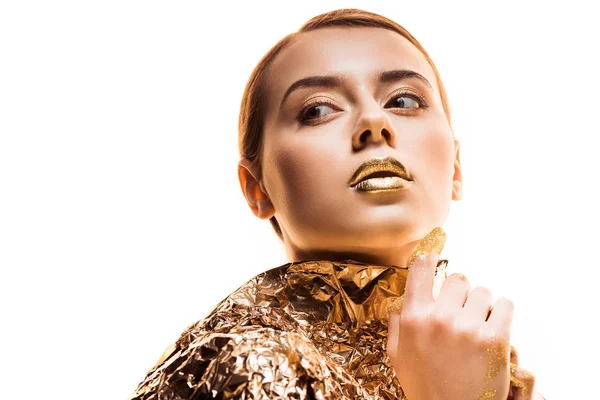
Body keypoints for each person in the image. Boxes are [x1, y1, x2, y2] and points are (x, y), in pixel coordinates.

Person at [130, 8, 544, 400]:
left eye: (404, 101)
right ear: (257, 188)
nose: (373, 123)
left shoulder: (489, 362)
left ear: (455, 167)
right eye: (318, 110)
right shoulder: (238, 362)